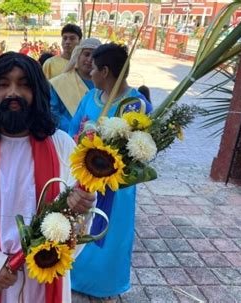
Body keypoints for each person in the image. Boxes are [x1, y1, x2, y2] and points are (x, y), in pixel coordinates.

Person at [0, 52, 96, 303]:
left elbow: (76, 211)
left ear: (38, 93)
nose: (13, 93)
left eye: (24, 84)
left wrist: (84, 203)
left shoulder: (62, 146)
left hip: (42, 275)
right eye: (3, 84)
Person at [69, 43, 152, 302]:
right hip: (84, 179)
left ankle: (105, 285)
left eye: (93, 68)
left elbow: (140, 150)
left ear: (105, 71)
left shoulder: (134, 105)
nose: (89, 72)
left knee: (110, 233)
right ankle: (76, 278)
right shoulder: (89, 98)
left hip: (116, 187)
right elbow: (74, 130)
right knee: (80, 230)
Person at [50, 38, 101, 133]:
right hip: (65, 136)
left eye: (94, 56)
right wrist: (74, 129)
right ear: (78, 55)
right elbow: (52, 112)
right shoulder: (60, 82)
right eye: (86, 54)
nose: (90, 59)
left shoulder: (103, 85)